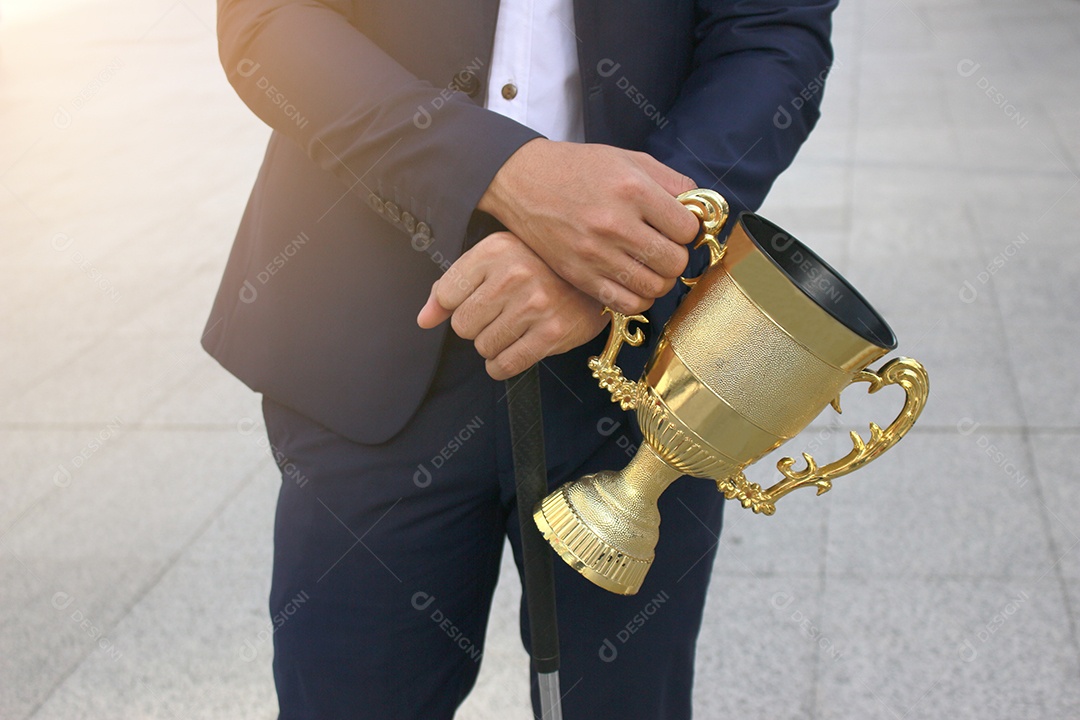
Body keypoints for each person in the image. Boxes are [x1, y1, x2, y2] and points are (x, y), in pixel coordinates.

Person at [203, 1, 837, 717]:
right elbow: (271, 21)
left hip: (638, 369)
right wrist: (505, 172)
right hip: (371, 322)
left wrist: (621, 252)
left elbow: (772, 35)